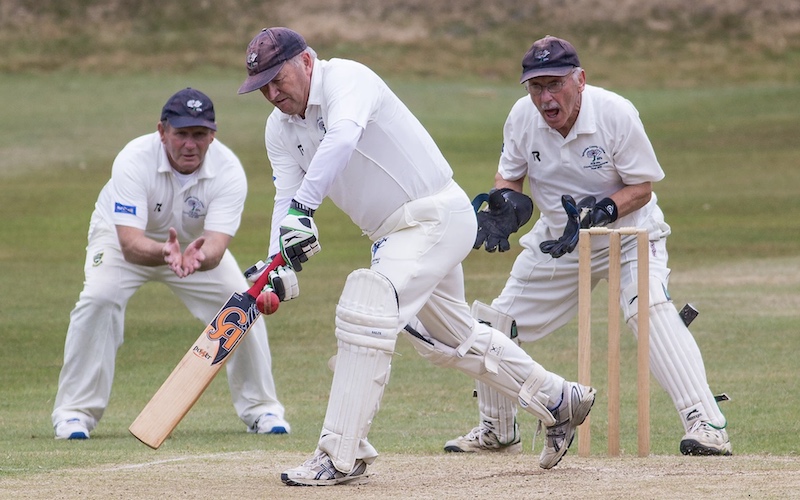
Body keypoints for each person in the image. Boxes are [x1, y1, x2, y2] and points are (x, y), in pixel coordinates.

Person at [237, 27, 596, 486]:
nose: (271, 92)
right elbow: (285, 194)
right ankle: (559, 399)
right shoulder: (279, 128)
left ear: (306, 61)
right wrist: (276, 263)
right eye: (261, 86)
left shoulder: (347, 78)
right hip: (393, 235)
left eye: (277, 78)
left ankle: (341, 454)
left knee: (366, 309)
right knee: (450, 342)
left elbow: (342, 139)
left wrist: (305, 210)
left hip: (434, 217)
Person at [444, 35, 731, 457]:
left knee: (647, 310)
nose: (546, 97)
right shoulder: (522, 117)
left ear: (580, 79)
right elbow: (509, 176)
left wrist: (602, 212)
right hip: (560, 240)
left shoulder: (615, 113)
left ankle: (705, 423)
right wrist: (506, 202)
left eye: (555, 84)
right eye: (536, 87)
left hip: (629, 233)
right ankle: (498, 431)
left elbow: (642, 188)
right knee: (495, 322)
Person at [52, 88, 290, 440]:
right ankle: (74, 414)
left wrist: (197, 256)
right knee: (99, 299)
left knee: (242, 304)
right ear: (162, 131)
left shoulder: (228, 171)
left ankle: (261, 409)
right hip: (124, 242)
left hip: (193, 250)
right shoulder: (133, 160)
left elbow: (216, 248)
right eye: (181, 134)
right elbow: (131, 245)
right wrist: (166, 252)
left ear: (213, 134)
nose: (190, 144)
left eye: (199, 134)